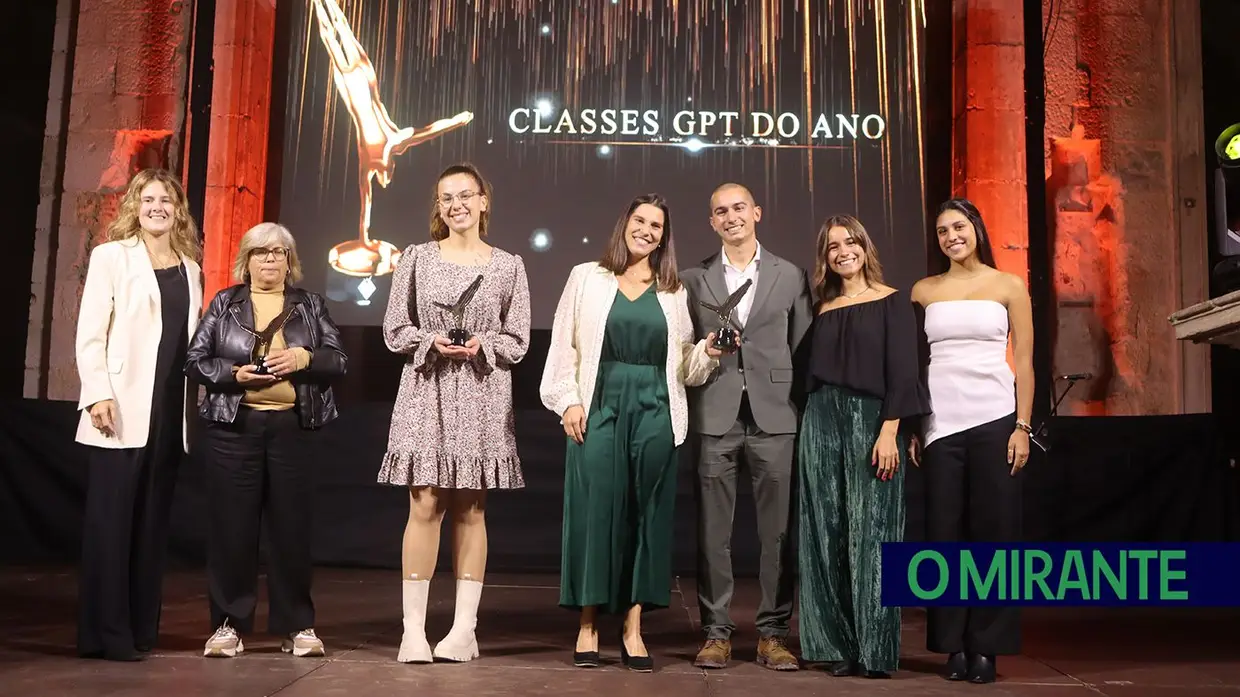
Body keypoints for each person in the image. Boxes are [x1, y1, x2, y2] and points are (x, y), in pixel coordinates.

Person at [541, 193, 723, 673]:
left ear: (665, 236)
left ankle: (633, 627)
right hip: (598, 405)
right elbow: (564, 344)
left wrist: (708, 352)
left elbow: (683, 365)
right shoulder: (587, 277)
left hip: (656, 410)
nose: (647, 230)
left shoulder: (673, 291)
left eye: (656, 226)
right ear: (624, 224)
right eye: (640, 221)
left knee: (647, 516)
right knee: (594, 510)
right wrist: (569, 400)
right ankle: (587, 623)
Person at [379, 162, 531, 664]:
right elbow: (395, 329)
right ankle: (413, 633)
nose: (457, 204)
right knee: (423, 504)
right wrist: (432, 341)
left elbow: (519, 340)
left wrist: (482, 343)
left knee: (471, 508)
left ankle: (464, 631)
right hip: (426, 389)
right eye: (447, 197)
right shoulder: (416, 259)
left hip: (482, 393)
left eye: (466, 195)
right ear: (438, 207)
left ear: (484, 201)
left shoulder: (509, 265)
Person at [185, 222, 347, 659]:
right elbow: (195, 362)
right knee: (231, 531)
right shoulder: (225, 303)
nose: (270, 259)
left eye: (278, 252)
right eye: (261, 252)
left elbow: (338, 359)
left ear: (289, 260)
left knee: (291, 531)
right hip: (233, 429)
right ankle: (227, 625)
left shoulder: (310, 305)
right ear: (247, 260)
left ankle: (298, 626)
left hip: (293, 429)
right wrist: (233, 374)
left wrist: (304, 356)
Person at [680, 183, 813, 671]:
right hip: (715, 414)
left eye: (739, 208)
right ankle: (716, 632)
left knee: (776, 534)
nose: (731, 216)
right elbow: (687, 345)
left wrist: (788, 399)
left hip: (774, 417)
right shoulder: (693, 279)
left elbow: (801, 345)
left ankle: (773, 634)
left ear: (757, 212)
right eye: (720, 211)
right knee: (714, 533)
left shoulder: (790, 274)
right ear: (711, 222)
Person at [75, 168, 203, 662]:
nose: (157, 208)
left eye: (166, 200)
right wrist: (97, 394)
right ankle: (104, 634)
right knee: (111, 525)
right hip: (120, 409)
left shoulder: (190, 267)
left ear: (177, 210)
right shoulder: (112, 256)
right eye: (148, 199)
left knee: (151, 525)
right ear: (135, 205)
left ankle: (140, 629)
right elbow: (91, 333)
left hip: (170, 413)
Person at [796, 215, 929, 679]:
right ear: (825, 257)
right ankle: (835, 647)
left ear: (864, 247)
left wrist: (891, 429)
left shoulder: (894, 302)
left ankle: (875, 650)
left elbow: (904, 371)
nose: (842, 251)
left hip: (872, 421)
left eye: (850, 242)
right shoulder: (822, 307)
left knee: (873, 534)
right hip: (819, 419)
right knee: (824, 532)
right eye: (833, 247)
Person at [909, 198, 1035, 684]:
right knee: (944, 537)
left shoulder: (1008, 286)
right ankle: (951, 645)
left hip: (996, 418)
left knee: (995, 536)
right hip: (941, 424)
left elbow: (1023, 360)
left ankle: (987, 647)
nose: (951, 237)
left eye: (958, 226)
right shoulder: (923, 290)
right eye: (942, 231)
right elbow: (914, 365)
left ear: (976, 229)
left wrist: (1022, 426)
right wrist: (919, 424)